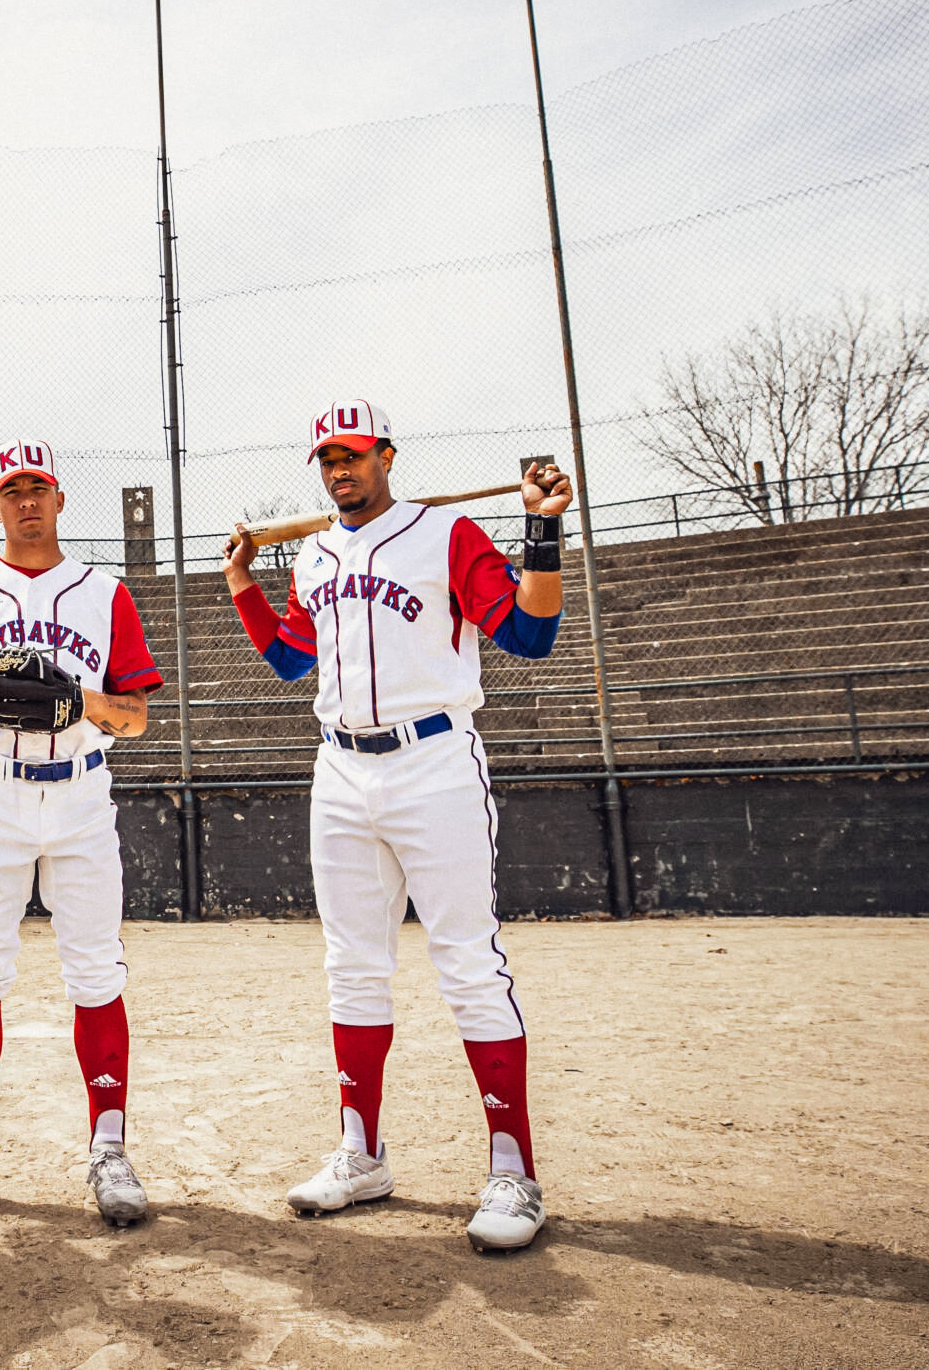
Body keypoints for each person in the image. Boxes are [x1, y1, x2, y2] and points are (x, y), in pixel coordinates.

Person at [219, 400, 573, 1252]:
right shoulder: (311, 554)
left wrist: (540, 532)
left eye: (352, 455)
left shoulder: (446, 536)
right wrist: (239, 583)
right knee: (352, 964)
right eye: (326, 459)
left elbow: (530, 632)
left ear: (384, 454)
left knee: (466, 961)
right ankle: (360, 1151)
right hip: (339, 766)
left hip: (433, 759)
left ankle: (511, 1169)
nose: (338, 470)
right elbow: (289, 659)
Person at [0, 440, 168, 1231]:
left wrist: (73, 699)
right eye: (11, 489)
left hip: (83, 792)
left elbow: (136, 716)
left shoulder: (104, 592)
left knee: (95, 969)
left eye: (39, 488)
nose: (26, 501)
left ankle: (109, 1148)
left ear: (59, 500)